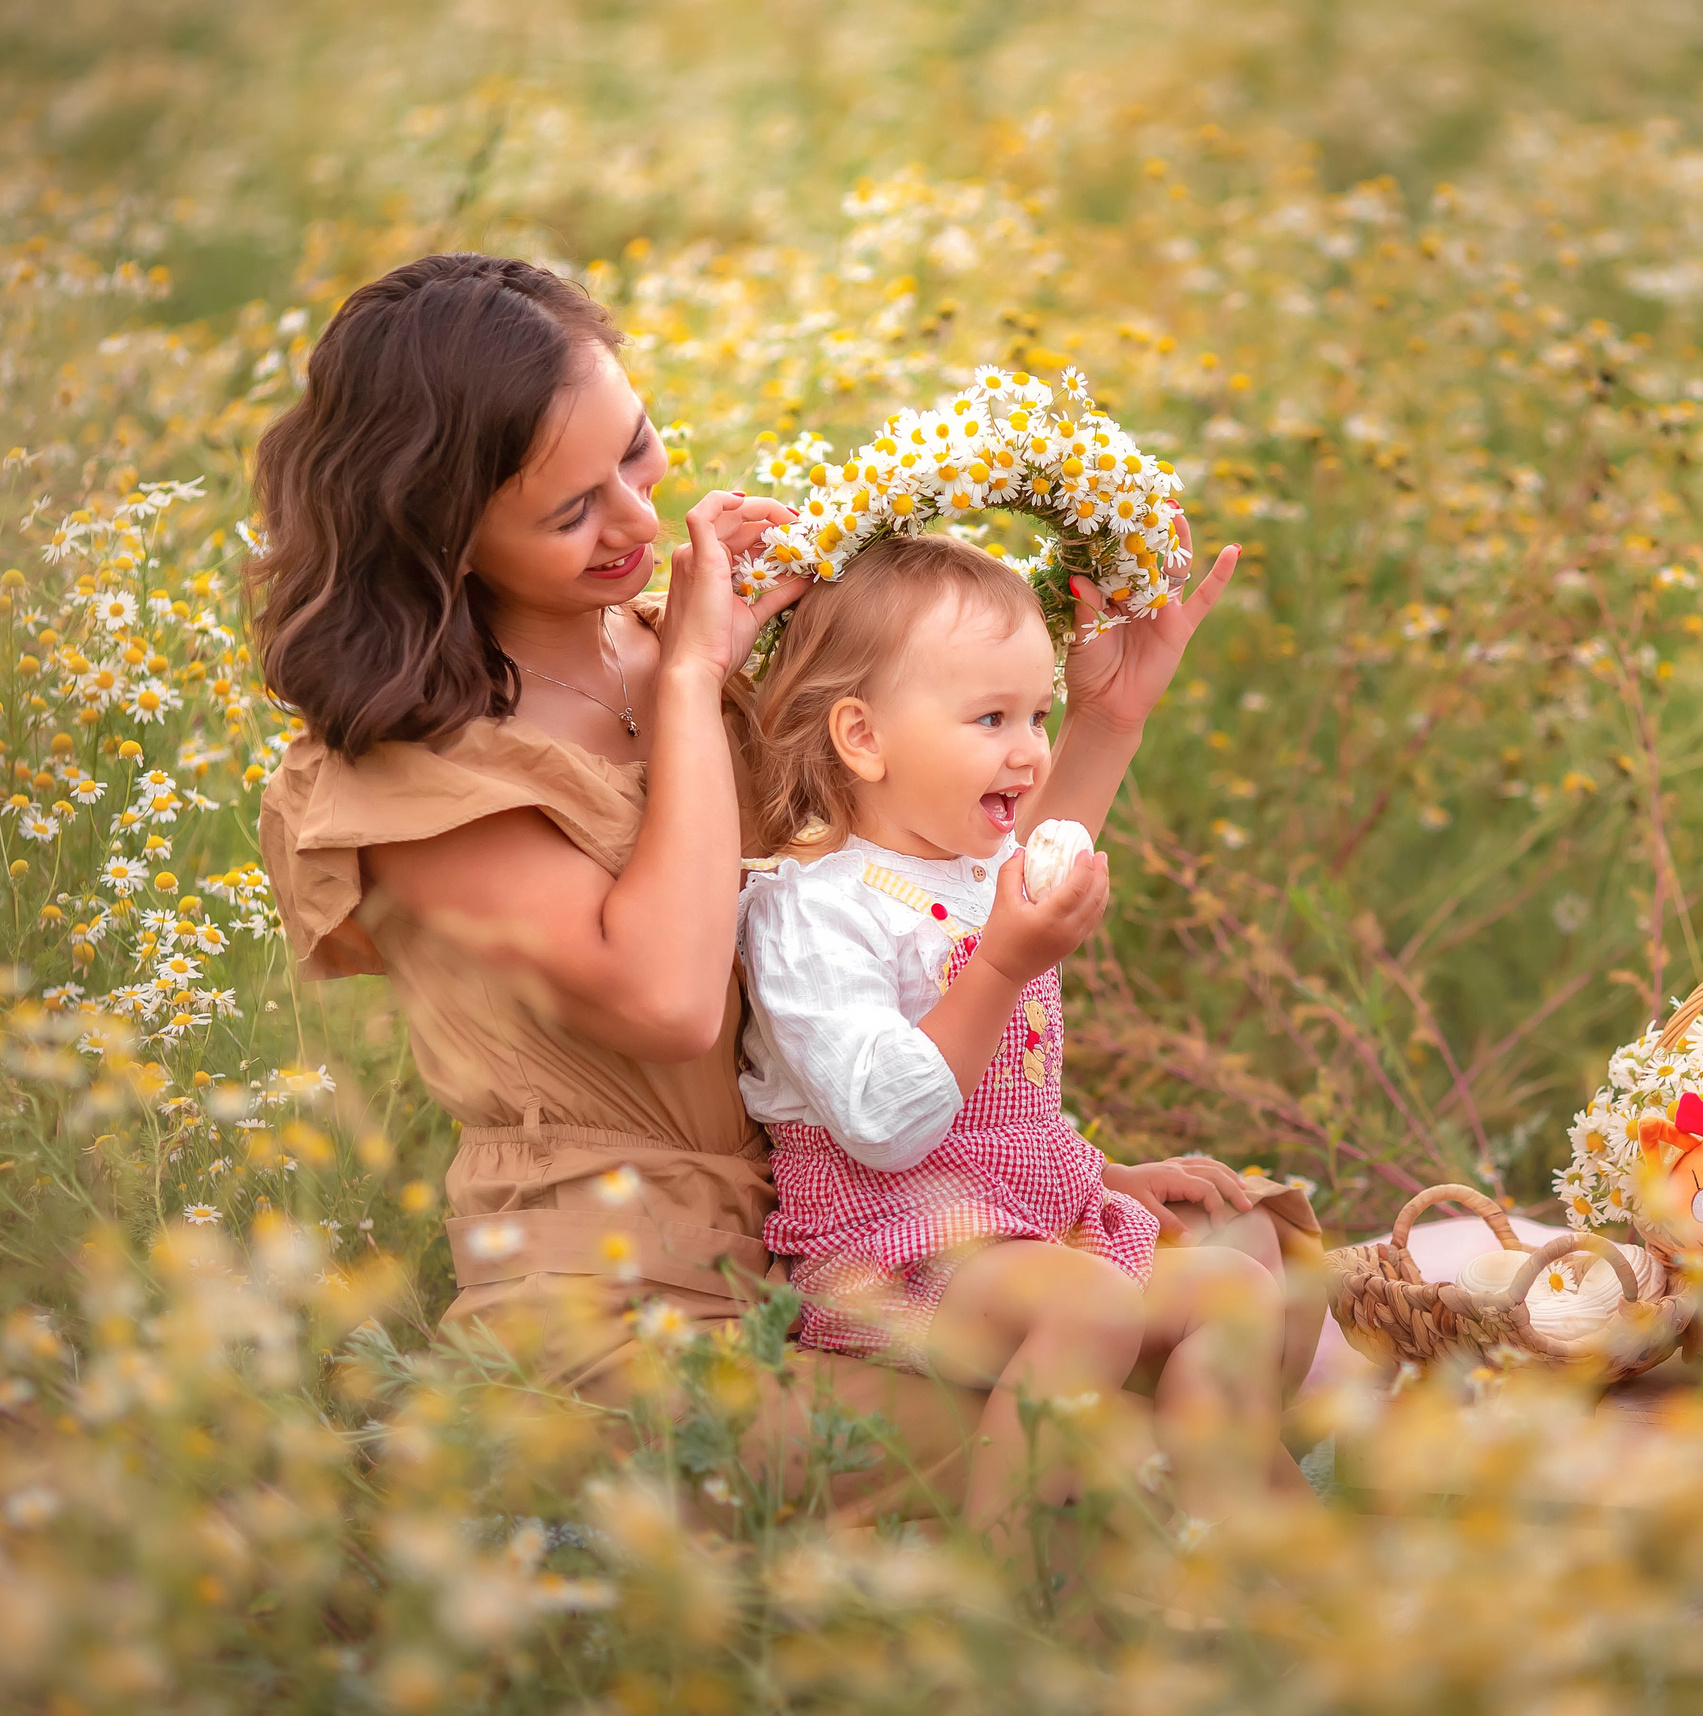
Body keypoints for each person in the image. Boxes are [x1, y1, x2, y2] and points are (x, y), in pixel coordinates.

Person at [250, 251, 1290, 1522]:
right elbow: (673, 1001)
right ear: (446, 535)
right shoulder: (420, 770)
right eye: (572, 511)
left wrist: (1107, 728)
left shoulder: (683, 653)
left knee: (1246, 1310)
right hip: (626, 1320)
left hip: (830, 1248)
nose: (639, 523)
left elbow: (919, 910)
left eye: (635, 452)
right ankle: (1013, 1668)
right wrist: (691, 684)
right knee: (1107, 1446)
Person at [733, 534, 1315, 1539]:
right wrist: (1001, 963)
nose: (1028, 748)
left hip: (1016, 1224)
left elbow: (1005, 1100)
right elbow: (886, 1121)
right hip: (887, 1241)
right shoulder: (815, 906)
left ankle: (1225, 1551)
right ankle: (1004, 1587)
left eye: (1037, 713)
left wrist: (1097, 1167)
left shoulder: (976, 865)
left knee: (1235, 1289)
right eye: (990, 717)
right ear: (863, 738)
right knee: (1090, 1305)